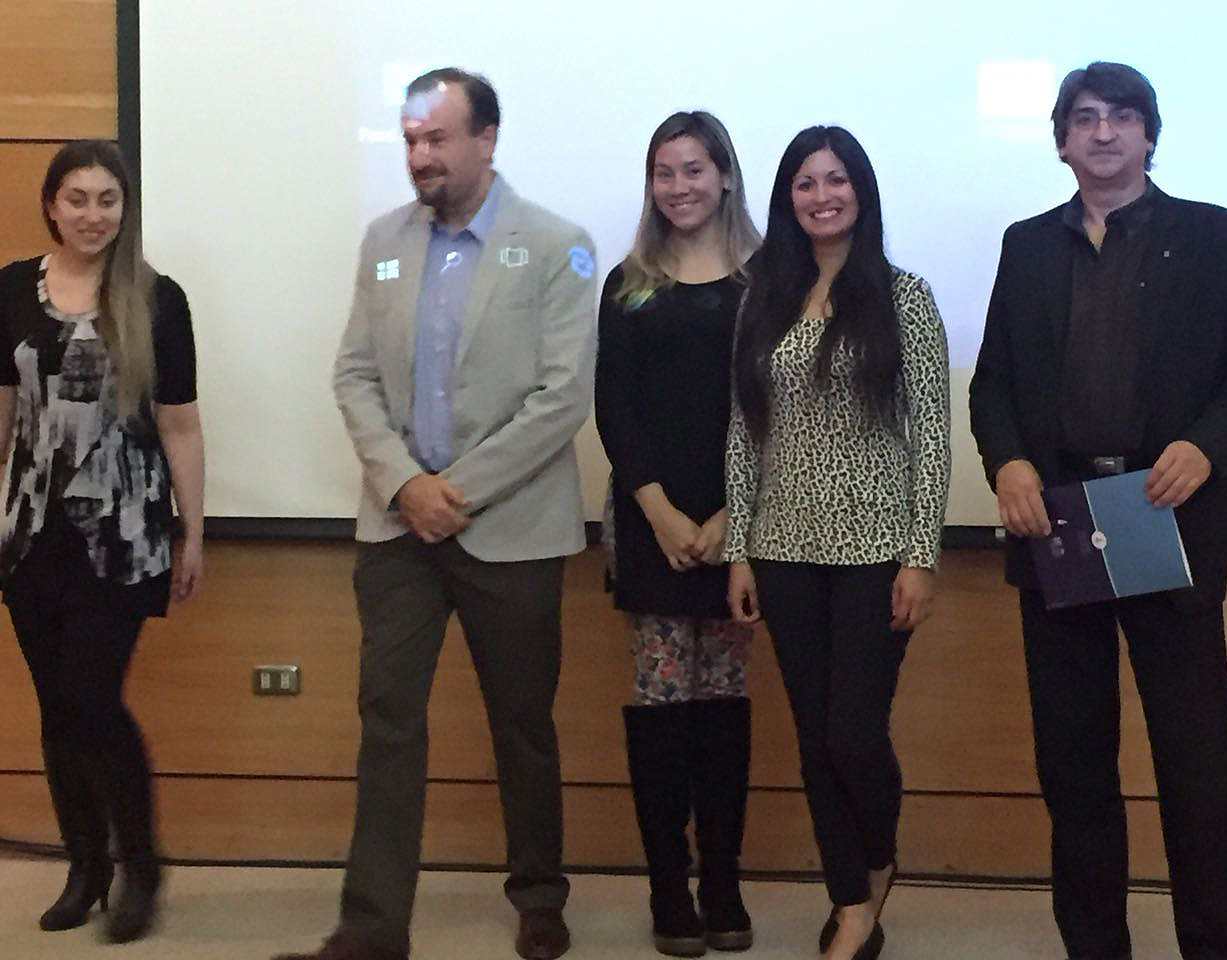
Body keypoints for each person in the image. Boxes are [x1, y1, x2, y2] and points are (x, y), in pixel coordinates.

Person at [275, 68, 596, 960]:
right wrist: (403, 483)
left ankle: (539, 895)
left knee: (522, 727)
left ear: (487, 140)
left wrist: (457, 491)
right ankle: (373, 925)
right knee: (387, 723)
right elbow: (354, 374)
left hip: (514, 531)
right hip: (398, 531)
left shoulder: (561, 244)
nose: (420, 156)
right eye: (411, 140)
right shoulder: (384, 241)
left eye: (438, 139)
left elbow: (564, 395)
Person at [969, 61, 1227, 960]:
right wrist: (1009, 461)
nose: (1103, 133)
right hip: (1059, 524)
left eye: (1123, 117)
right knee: (1074, 766)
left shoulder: (1220, 236)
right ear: (1061, 140)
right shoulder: (1026, 245)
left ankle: (1218, 948)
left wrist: (1207, 445)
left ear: (1150, 133)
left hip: (1164, 516)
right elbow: (994, 385)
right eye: (1085, 118)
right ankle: (1094, 945)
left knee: (1196, 764)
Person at [725, 126, 950, 960]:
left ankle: (879, 860)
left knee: (854, 731)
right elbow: (742, 433)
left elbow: (931, 432)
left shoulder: (906, 296)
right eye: (805, 184)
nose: (822, 196)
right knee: (816, 738)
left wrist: (921, 555)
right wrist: (739, 550)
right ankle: (850, 898)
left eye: (837, 180)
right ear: (787, 199)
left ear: (861, 190)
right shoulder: (763, 298)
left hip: (875, 551)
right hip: (782, 547)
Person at [0, 139, 205, 943]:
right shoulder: (13, 289)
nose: (93, 214)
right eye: (78, 198)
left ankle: (141, 864)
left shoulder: (157, 299)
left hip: (123, 534)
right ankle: (85, 866)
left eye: (108, 200)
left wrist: (193, 533)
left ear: (126, 209)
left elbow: (181, 426)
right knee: (57, 708)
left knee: (91, 698)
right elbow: (7, 414)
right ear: (51, 203)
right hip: (29, 533)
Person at [595, 110, 760, 957]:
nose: (680, 187)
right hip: (651, 523)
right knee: (663, 702)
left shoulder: (771, 279)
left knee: (722, 703)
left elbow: (779, 410)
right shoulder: (630, 280)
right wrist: (659, 511)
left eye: (694, 169)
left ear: (725, 175)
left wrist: (732, 514)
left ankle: (724, 883)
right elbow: (613, 408)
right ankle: (669, 886)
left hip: (744, 522)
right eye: (664, 172)